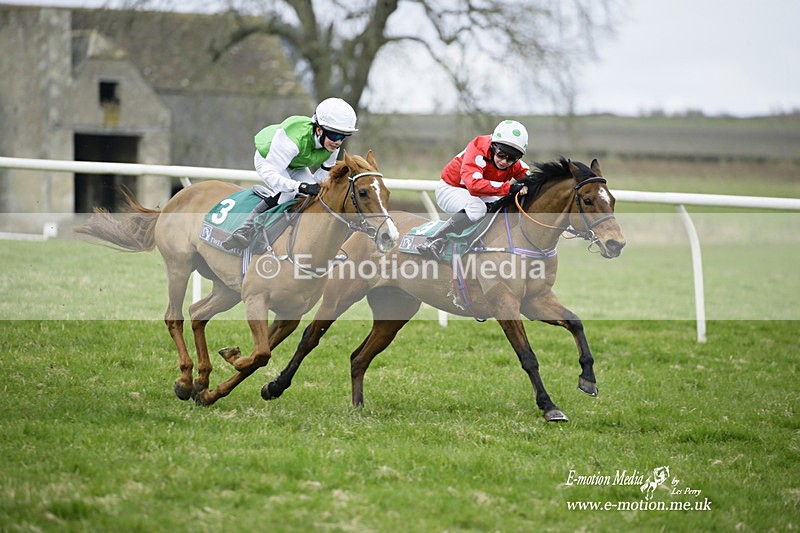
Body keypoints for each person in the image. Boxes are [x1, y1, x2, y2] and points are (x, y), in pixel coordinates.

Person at [222, 97, 358, 250]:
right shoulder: (293, 140)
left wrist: (315, 190)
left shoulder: (334, 146)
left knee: (310, 197)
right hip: (270, 161)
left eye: (343, 137)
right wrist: (300, 186)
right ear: (319, 130)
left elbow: (324, 175)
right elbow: (272, 175)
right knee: (288, 194)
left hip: (295, 164)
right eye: (334, 136)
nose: (338, 142)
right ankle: (245, 229)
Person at [416, 119, 531, 259]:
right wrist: (510, 188)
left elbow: (530, 180)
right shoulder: (477, 148)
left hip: (480, 192)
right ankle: (435, 240)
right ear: (493, 147)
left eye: (511, 159)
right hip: (450, 188)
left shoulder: (513, 162)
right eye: (501, 155)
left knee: (500, 209)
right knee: (478, 209)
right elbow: (474, 186)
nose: (504, 161)